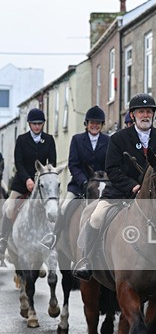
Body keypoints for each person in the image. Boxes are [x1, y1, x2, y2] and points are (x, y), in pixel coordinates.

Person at [72, 93, 156, 280]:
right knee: (96, 216)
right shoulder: (118, 138)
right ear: (132, 115)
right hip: (120, 192)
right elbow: (112, 169)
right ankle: (87, 259)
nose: (145, 115)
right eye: (141, 112)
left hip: (155, 197)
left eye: (148, 111)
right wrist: (133, 186)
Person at [41, 106, 110, 249]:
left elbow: (110, 164)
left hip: (102, 185)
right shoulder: (77, 140)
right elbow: (73, 164)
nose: (95, 125)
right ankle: (55, 236)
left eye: (98, 123)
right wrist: (84, 181)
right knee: (64, 206)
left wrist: (103, 180)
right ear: (86, 124)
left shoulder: (108, 141)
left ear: (102, 125)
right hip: (80, 185)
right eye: (92, 122)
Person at [0, 108, 57, 262]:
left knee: (54, 207)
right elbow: (18, 162)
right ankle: (3, 241)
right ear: (29, 124)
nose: (37, 126)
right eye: (34, 124)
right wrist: (27, 180)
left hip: (43, 184)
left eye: (39, 124)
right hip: (22, 182)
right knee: (9, 208)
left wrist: (43, 178)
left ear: (43, 124)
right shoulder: (22, 139)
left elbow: (52, 163)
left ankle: (55, 239)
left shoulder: (49, 140)